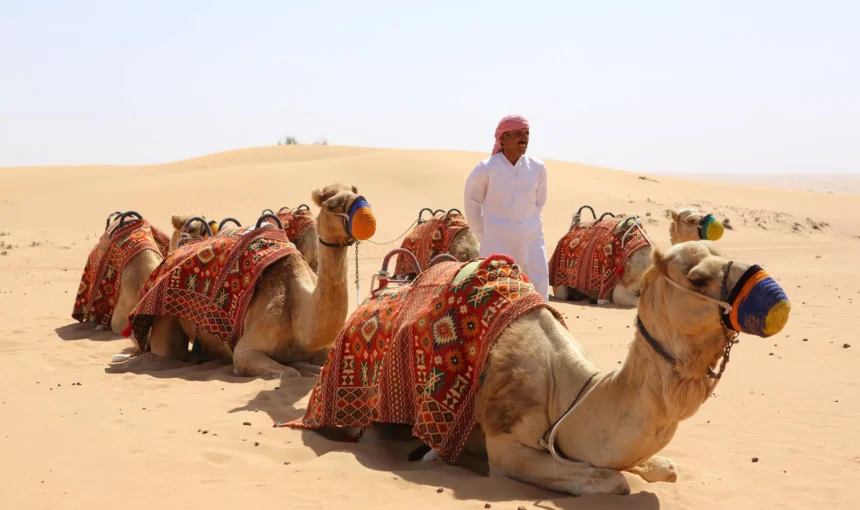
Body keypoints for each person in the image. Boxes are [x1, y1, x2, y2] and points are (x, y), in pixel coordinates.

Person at [463, 114, 549, 300]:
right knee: (495, 291)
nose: (524, 137)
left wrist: (526, 223)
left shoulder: (537, 167)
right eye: (518, 133)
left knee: (538, 287)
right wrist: (484, 235)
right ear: (503, 138)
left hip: (531, 240)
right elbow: (472, 202)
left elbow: (539, 201)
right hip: (497, 241)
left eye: (526, 133)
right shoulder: (486, 168)